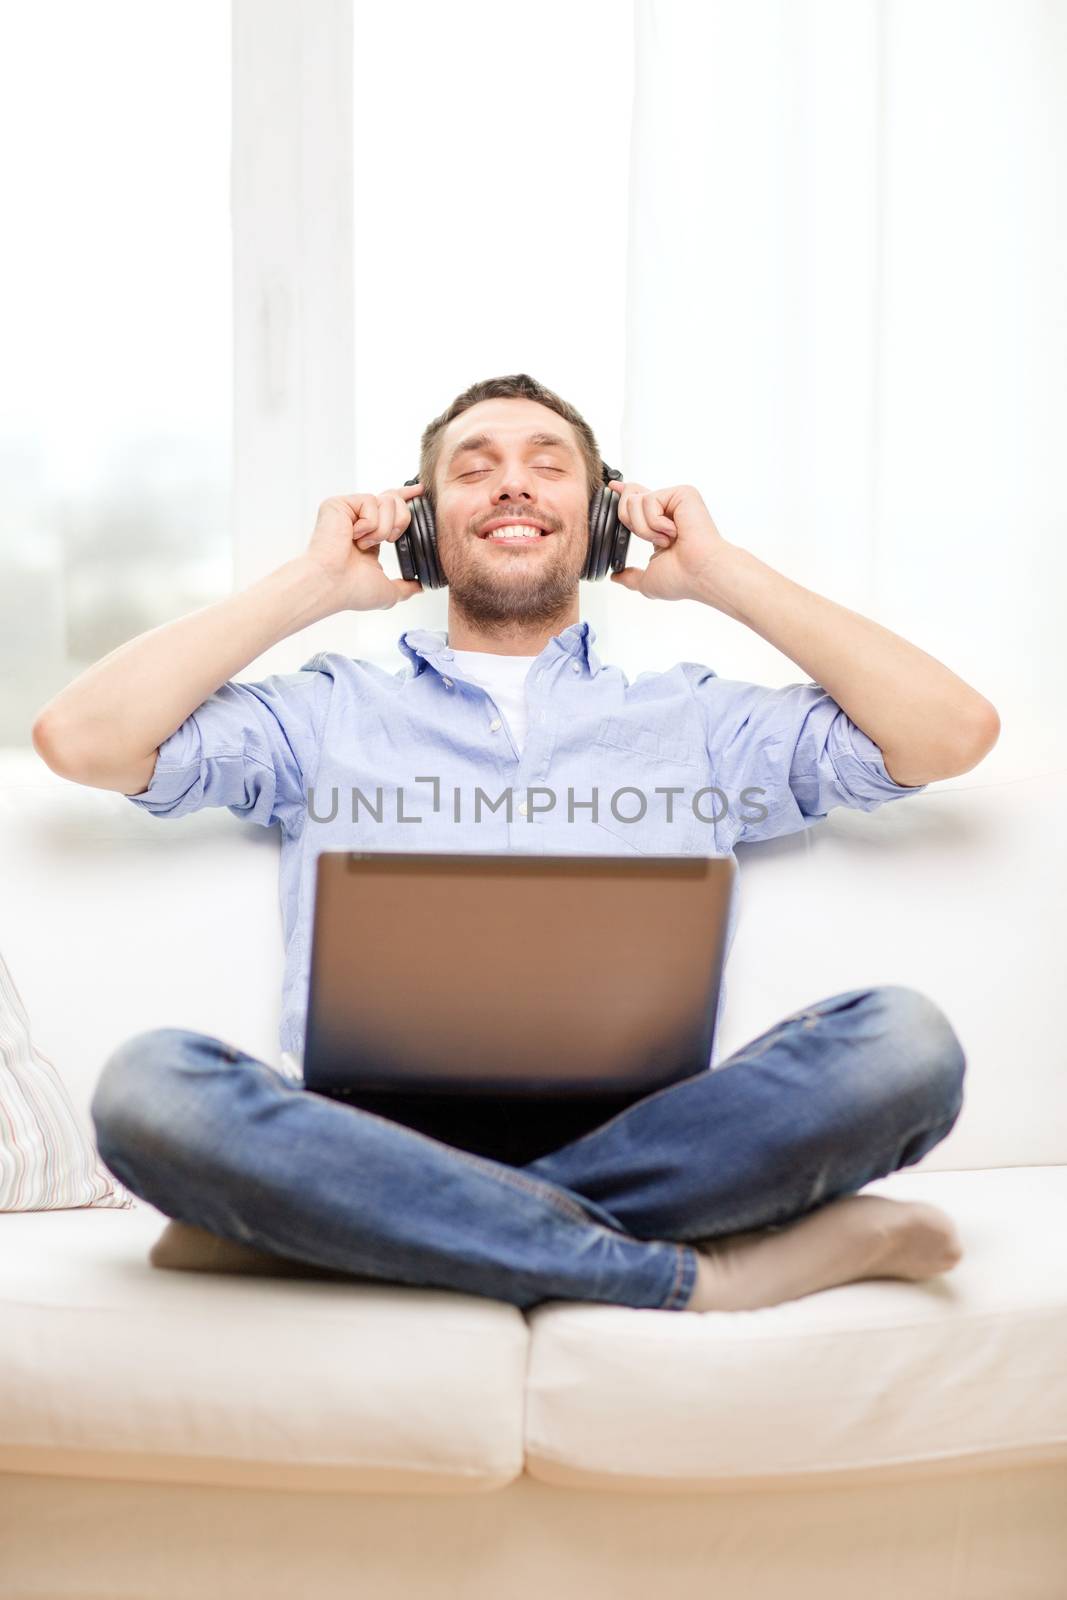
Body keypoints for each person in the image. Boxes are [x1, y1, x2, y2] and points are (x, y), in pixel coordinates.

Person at [32, 373, 1000, 1314]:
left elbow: (944, 732)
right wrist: (314, 584)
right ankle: (685, 1274)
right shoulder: (326, 713)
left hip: (649, 1135)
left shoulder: (695, 721)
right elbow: (84, 740)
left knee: (904, 1043)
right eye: (472, 467)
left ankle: (347, 1235)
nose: (510, 482)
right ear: (421, 526)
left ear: (600, 522)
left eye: (547, 464)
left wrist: (716, 574)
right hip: (367, 1131)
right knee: (151, 1091)